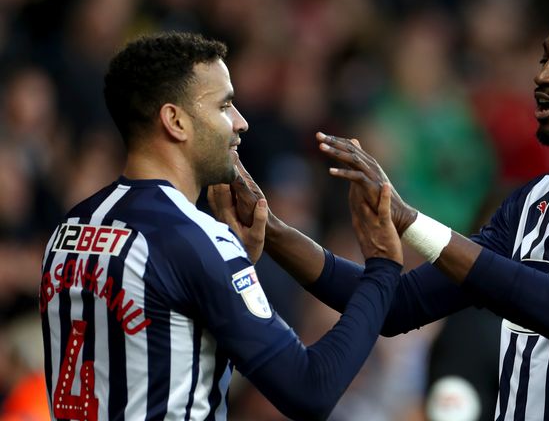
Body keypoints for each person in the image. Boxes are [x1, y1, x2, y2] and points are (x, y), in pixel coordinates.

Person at [232, 0, 549, 420]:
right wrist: (270, 229)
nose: (543, 75)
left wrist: (409, 221)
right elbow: (396, 305)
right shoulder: (535, 200)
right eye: (544, 59)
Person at [38, 31, 404, 421]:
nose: (240, 123)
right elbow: (310, 390)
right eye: (224, 105)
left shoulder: (70, 228)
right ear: (175, 121)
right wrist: (381, 267)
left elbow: (148, 339)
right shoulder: (196, 239)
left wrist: (234, 264)